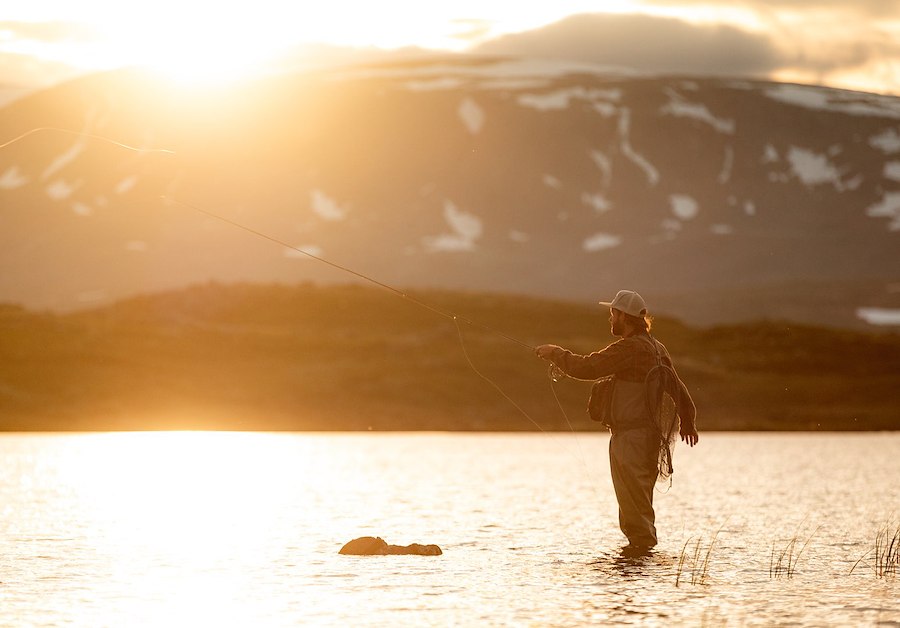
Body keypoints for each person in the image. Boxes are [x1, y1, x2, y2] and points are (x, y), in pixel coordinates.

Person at [535, 289, 698, 549]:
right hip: (649, 439)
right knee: (639, 504)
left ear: (624, 316)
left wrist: (556, 353)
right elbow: (678, 388)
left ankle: (637, 567)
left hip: (631, 440)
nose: (610, 319)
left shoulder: (630, 348)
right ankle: (643, 566)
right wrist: (688, 421)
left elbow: (587, 367)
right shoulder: (657, 348)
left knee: (634, 510)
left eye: (613, 314)